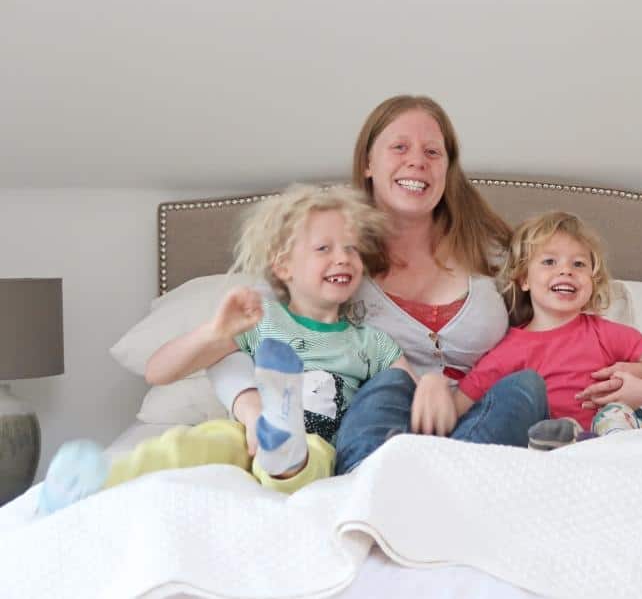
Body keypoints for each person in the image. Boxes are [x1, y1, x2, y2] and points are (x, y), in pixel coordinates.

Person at [210, 95, 642, 474]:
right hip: (385, 422)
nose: (417, 160)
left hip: (481, 422)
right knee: (388, 384)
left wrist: (634, 372)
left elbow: (570, 321)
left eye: (433, 152)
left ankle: (451, 482)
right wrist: (252, 411)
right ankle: (372, 481)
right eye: (399, 147)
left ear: (447, 169)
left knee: (527, 385)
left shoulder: (494, 252)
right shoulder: (335, 253)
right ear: (368, 163)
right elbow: (236, 335)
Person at [36, 184, 415, 514]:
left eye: (352, 249)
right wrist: (213, 334)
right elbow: (159, 371)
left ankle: (284, 448)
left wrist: (429, 392)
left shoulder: (370, 342)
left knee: (312, 454)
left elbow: (404, 396)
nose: (342, 258)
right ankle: (97, 479)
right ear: (283, 266)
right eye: (323, 248)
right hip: (246, 435)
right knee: (192, 444)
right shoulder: (260, 320)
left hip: (321, 444)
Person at [455, 211, 642, 450]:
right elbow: (460, 404)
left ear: (593, 280)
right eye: (549, 261)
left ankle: (614, 452)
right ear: (523, 280)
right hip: (546, 439)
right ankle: (561, 446)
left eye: (578, 264)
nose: (566, 271)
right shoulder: (507, 350)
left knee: (615, 413)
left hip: (608, 435)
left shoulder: (607, 334)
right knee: (539, 425)